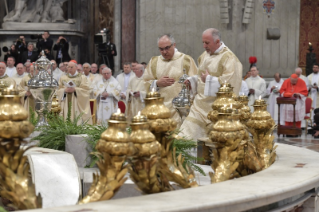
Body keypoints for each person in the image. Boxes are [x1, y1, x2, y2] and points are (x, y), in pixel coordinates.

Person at [179, 28, 242, 140]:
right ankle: (186, 157)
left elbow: (231, 84)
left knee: (212, 140)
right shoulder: (204, 55)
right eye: (203, 42)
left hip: (216, 109)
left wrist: (209, 79)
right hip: (199, 106)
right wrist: (192, 80)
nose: (204, 46)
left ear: (217, 41)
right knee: (185, 135)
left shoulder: (229, 58)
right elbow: (200, 76)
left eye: (207, 43)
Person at [143, 34, 198, 127]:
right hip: (160, 108)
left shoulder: (186, 60)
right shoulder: (154, 62)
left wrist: (189, 82)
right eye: (161, 49)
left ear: (174, 45)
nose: (164, 51)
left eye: (167, 48)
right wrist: (156, 83)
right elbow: (145, 82)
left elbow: (196, 81)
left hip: (180, 107)